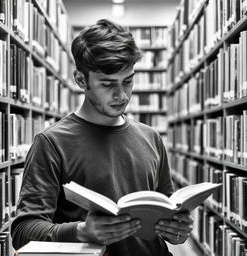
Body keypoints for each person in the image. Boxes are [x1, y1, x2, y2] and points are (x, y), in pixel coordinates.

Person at [11, 19, 193, 256]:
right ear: (80, 80)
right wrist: (80, 231)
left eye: (128, 81)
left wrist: (178, 230)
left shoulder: (151, 138)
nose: (122, 95)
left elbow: (169, 214)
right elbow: (23, 231)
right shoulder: (51, 143)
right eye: (107, 84)